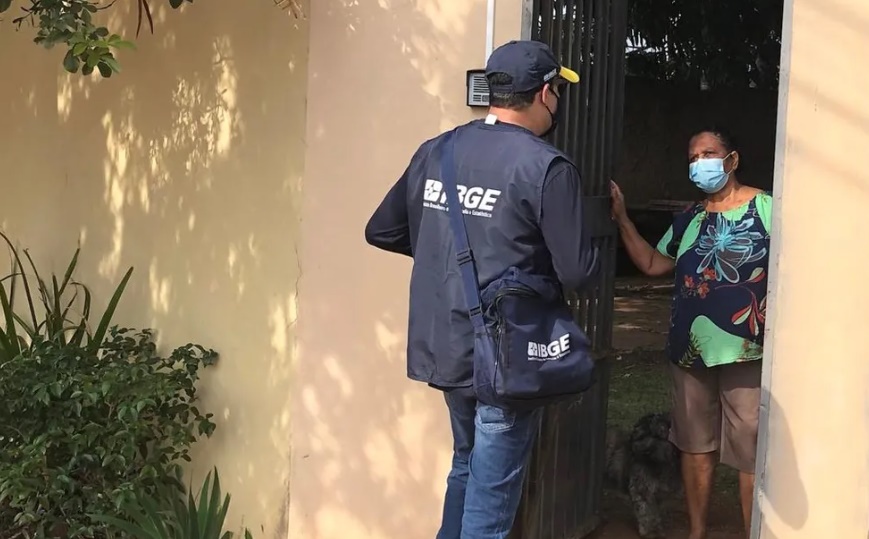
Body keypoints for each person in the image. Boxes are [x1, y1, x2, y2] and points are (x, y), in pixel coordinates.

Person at [364, 40, 598, 539]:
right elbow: (578, 272)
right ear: (545, 93)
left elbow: (382, 230)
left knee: (466, 466)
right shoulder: (546, 167)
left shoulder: (437, 151)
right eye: (558, 91)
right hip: (508, 352)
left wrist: (443, 258)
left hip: (448, 345)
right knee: (490, 506)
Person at [610, 127, 770, 539]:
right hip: (690, 352)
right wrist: (623, 219)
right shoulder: (690, 219)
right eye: (694, 158)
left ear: (732, 160)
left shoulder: (767, 209)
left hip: (748, 350)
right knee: (695, 447)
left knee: (751, 450)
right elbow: (652, 263)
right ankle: (697, 532)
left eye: (709, 154)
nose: (701, 163)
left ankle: (752, 531)